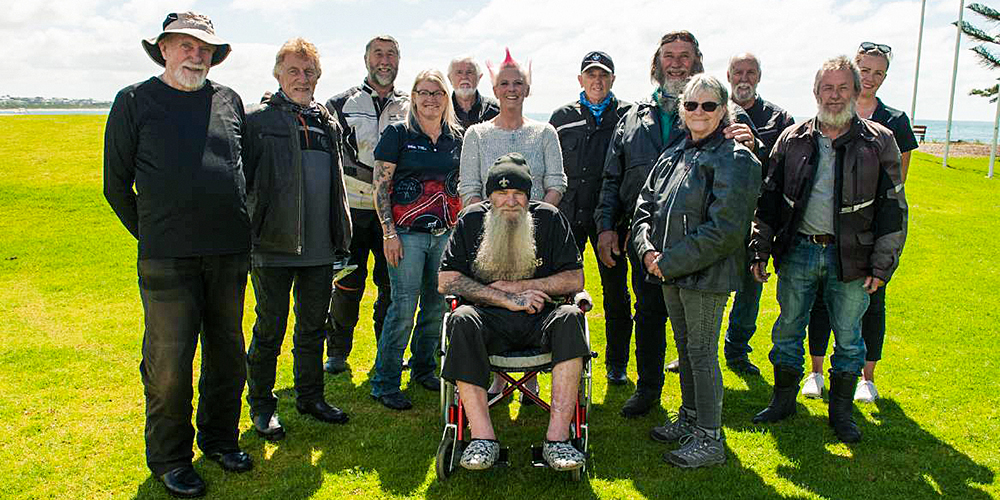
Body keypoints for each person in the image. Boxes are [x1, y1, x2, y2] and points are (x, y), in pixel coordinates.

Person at [103, 12, 252, 497]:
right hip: (167, 258)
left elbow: (238, 169)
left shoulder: (228, 100)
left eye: (204, 48)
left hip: (229, 253)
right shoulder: (134, 101)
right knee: (168, 363)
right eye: (185, 45)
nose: (196, 55)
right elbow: (115, 185)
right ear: (163, 49)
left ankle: (219, 439)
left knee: (228, 353)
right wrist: (155, 234)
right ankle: (170, 457)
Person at [595, 31, 757, 417]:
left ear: (697, 61)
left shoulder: (723, 112)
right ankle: (649, 389)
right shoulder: (634, 117)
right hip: (647, 243)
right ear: (657, 62)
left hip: (700, 251)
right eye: (669, 56)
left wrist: (753, 142)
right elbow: (613, 178)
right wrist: (606, 227)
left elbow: (747, 171)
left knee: (696, 344)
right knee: (648, 316)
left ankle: (702, 423)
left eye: (685, 56)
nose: (676, 63)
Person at [749, 56, 907, 444]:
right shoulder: (793, 138)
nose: (834, 97)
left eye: (842, 89)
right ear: (816, 92)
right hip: (799, 251)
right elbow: (767, 201)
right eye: (827, 89)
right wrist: (759, 250)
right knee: (787, 328)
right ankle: (782, 401)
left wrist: (882, 265)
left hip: (852, 257)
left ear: (856, 91)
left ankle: (841, 414)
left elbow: (893, 208)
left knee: (850, 337)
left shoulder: (880, 141)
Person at [634, 74, 761, 468]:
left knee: (703, 353)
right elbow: (645, 204)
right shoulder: (677, 151)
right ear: (682, 110)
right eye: (691, 105)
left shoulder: (736, 158)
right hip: (668, 271)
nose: (699, 112)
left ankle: (710, 439)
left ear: (723, 111)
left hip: (704, 275)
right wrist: (647, 250)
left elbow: (726, 230)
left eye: (709, 105)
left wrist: (667, 262)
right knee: (687, 351)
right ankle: (690, 419)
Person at [439, 154, 589, 472]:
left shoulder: (549, 218)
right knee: (461, 318)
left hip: (542, 317)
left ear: (528, 195)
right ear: (489, 195)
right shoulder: (470, 221)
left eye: (518, 193)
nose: (510, 201)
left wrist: (520, 287)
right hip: (488, 320)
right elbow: (447, 279)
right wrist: (503, 297)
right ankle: (482, 438)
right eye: (501, 193)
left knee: (571, 317)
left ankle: (558, 440)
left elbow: (575, 279)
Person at [243, 38, 352, 443]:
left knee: (311, 329)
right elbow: (245, 182)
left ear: (318, 77)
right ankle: (262, 407)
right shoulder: (258, 120)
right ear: (278, 74)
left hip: (320, 248)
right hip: (272, 245)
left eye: (309, 72)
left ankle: (311, 398)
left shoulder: (327, 122)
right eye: (294, 71)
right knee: (269, 329)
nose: (302, 79)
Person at [802, 42, 919, 402]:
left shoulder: (894, 121)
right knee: (821, 300)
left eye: (878, 73)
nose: (870, 79)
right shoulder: (830, 111)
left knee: (872, 301)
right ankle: (816, 372)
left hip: (867, 231)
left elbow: (896, 183)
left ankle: (867, 377)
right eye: (864, 70)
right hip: (825, 229)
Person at [369, 69, 464, 410]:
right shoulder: (398, 133)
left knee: (436, 307)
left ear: (446, 98)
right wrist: (388, 232)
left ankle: (424, 369)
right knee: (403, 308)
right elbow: (380, 186)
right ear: (413, 97)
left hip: (444, 236)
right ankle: (385, 382)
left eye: (437, 92)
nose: (430, 99)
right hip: (406, 236)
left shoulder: (458, 137)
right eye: (423, 92)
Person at [324, 35, 410, 375]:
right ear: (366, 60)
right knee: (347, 283)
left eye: (391, 54)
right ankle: (337, 353)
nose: (384, 61)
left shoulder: (411, 104)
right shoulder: (340, 103)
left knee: (391, 287)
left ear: (399, 60)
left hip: (395, 211)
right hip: (354, 210)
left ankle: (386, 355)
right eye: (378, 54)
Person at [548, 51, 633, 385]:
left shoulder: (627, 115)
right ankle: (557, 357)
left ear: (612, 79)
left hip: (609, 219)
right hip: (567, 215)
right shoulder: (561, 117)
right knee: (559, 288)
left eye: (603, 75)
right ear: (580, 79)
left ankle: (617, 363)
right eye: (591, 75)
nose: (597, 81)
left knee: (615, 292)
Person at [722, 53, 796, 376]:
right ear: (728, 75)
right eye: (738, 71)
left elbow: (788, 171)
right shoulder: (713, 109)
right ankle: (694, 353)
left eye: (750, 72)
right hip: (721, 215)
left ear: (759, 77)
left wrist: (757, 148)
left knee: (751, 286)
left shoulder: (779, 119)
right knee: (708, 288)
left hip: (759, 218)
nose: (744, 78)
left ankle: (737, 351)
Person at [458, 48, 566, 206]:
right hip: (490, 227)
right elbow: (469, 189)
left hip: (535, 226)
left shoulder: (545, 133)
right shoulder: (476, 135)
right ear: (495, 91)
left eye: (518, 83)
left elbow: (556, 184)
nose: (511, 89)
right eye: (504, 83)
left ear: (527, 89)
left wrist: (532, 221)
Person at [448, 56, 500, 130]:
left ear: (479, 77)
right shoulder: (441, 111)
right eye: (459, 72)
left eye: (469, 72)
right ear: (450, 78)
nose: (464, 77)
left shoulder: (495, 110)